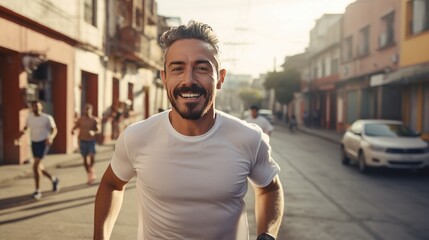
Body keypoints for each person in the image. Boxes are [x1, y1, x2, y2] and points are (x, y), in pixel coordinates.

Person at [94, 20, 284, 240]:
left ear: (220, 78)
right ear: (164, 78)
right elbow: (111, 184)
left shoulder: (249, 138)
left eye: (202, 68)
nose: (189, 80)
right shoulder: (137, 137)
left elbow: (269, 189)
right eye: (177, 69)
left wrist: (268, 234)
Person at [17, 100, 59, 199]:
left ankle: (38, 191)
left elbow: (54, 129)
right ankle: (54, 179)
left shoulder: (47, 118)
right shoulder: (30, 117)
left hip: (44, 143)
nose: (35, 108)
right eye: (33, 106)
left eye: (37, 106)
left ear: (41, 107)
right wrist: (21, 135)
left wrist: (51, 137)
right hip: (34, 143)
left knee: (35, 167)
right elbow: (26, 128)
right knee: (39, 167)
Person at [71, 103, 100, 184]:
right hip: (82, 140)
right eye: (85, 109)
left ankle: (91, 170)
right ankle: (89, 174)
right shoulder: (81, 119)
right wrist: (73, 130)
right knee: (85, 160)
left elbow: (99, 130)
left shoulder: (94, 120)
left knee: (92, 157)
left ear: (91, 110)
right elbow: (75, 127)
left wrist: (94, 132)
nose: (86, 111)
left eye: (88, 109)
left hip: (91, 141)